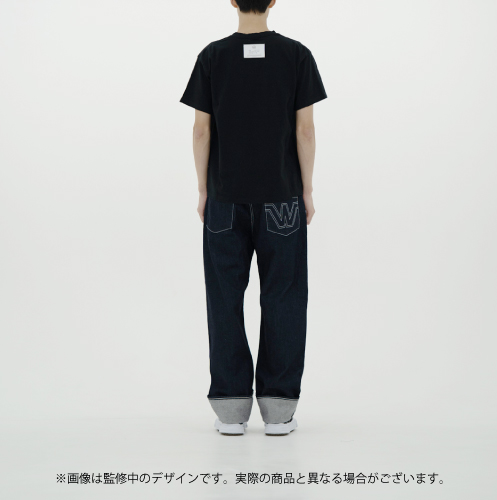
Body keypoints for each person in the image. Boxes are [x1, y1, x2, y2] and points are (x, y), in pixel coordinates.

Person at [180, 0, 327, 436]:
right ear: (273, 0)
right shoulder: (297, 55)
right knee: (284, 296)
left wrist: (203, 189)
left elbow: (201, 130)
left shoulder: (212, 57)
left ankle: (230, 410)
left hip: (224, 198)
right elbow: (305, 130)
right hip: (282, 198)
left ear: (232, 0)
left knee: (224, 297)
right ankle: (279, 411)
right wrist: (307, 189)